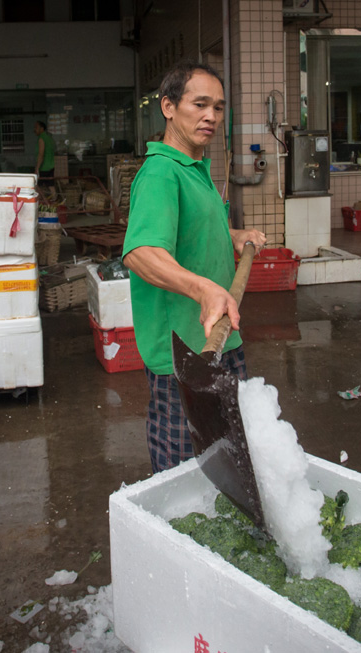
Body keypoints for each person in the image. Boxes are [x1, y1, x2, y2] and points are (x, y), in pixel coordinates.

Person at [122, 61, 267, 473]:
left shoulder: (195, 169)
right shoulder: (161, 174)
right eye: (199, 104)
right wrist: (204, 290)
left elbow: (194, 228)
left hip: (222, 338)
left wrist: (234, 235)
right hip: (186, 356)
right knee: (185, 468)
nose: (211, 117)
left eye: (218, 108)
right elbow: (141, 253)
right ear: (168, 107)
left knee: (229, 454)